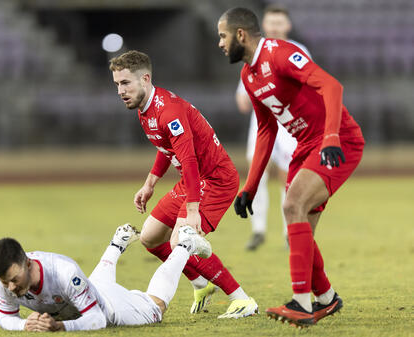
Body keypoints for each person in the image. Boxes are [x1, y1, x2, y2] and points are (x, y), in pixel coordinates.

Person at [218, 7, 364, 327]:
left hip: (338, 141)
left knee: (292, 205)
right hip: (306, 145)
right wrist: (251, 185)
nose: (220, 43)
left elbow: (332, 87)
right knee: (303, 234)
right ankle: (326, 298)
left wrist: (331, 138)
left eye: (223, 36)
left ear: (240, 35)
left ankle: (300, 302)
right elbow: (266, 129)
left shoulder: (282, 54)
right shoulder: (248, 75)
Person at [109, 50, 258, 318]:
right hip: (195, 179)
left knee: (183, 240)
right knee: (151, 237)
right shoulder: (146, 109)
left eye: (125, 83)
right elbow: (166, 147)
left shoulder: (168, 111)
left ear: (145, 78)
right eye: (117, 84)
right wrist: (150, 183)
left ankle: (243, 300)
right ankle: (201, 283)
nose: (120, 90)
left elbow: (188, 160)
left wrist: (192, 213)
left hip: (215, 179)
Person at [0, 224, 212, 331]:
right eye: (4, 281)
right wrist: (24, 325)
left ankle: (185, 243)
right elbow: (5, 318)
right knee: (91, 286)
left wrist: (60, 327)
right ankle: (118, 242)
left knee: (156, 307)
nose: (10, 287)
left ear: (27, 264)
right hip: (87, 292)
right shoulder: (6, 281)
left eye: (14, 279)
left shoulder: (63, 272)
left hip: (110, 307)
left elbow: (98, 320)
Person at [235, 5, 310, 251]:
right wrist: (247, 96)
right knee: (258, 170)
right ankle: (258, 229)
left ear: (287, 26)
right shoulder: (254, 53)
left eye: (280, 23)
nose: (275, 27)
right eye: (271, 23)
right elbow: (242, 98)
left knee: (289, 175)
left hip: (290, 123)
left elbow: (311, 86)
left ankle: (290, 230)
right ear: (264, 26)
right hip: (262, 122)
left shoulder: (299, 51)